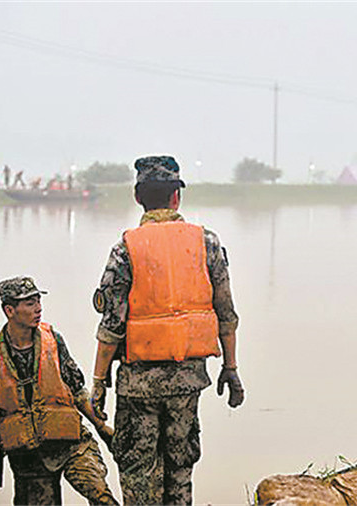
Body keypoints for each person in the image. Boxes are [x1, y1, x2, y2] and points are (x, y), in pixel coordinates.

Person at [90, 155, 245, 505]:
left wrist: (98, 383)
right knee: (180, 471)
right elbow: (227, 314)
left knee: (138, 473)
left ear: (137, 197)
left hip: (138, 385)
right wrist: (231, 369)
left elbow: (111, 325)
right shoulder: (207, 243)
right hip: (187, 383)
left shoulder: (125, 248)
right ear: (177, 196)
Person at [0, 276, 118, 505]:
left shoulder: (53, 341)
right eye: (29, 303)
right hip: (28, 457)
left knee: (100, 495)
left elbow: (77, 390)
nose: (38, 308)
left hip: (71, 444)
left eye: (38, 300)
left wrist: (101, 426)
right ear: (9, 310)